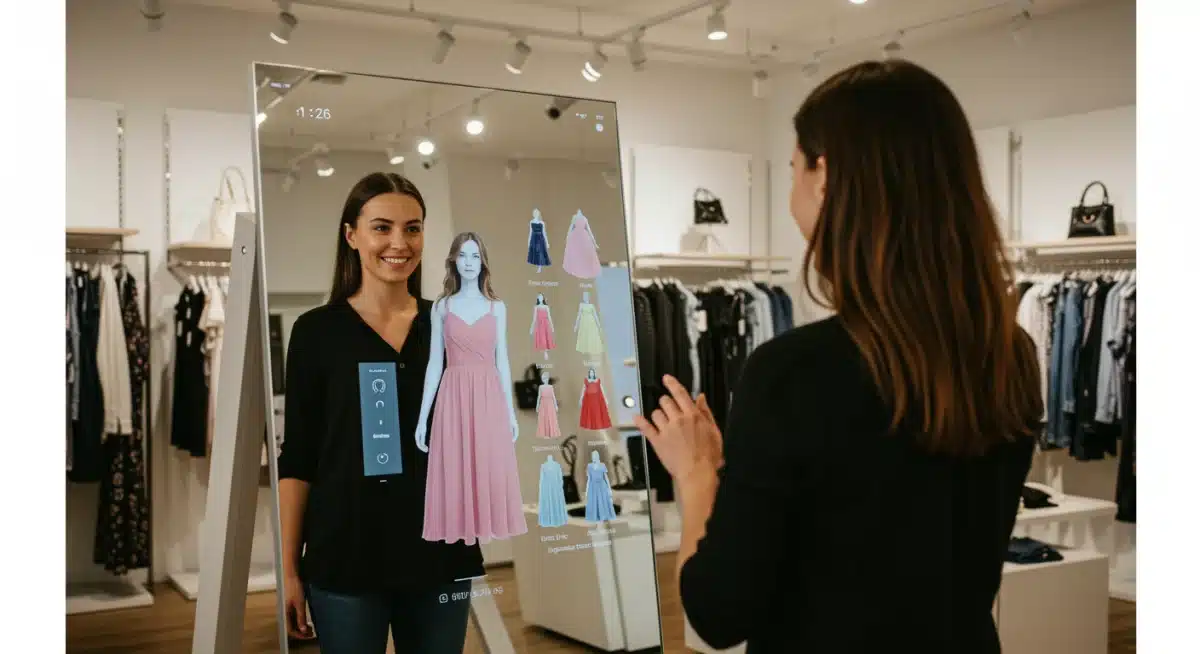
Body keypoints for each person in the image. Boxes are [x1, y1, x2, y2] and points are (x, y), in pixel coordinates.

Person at [634, 60, 1043, 653]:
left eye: (795, 166)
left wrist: (697, 474)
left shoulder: (792, 373)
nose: (793, 186)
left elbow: (719, 614)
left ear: (824, 178)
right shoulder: (1011, 356)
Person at [277, 172, 483, 653]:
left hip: (439, 554)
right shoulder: (316, 332)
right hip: (345, 555)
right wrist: (289, 570)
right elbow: (300, 457)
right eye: (382, 227)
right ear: (352, 235)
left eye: (413, 228)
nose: (399, 242)